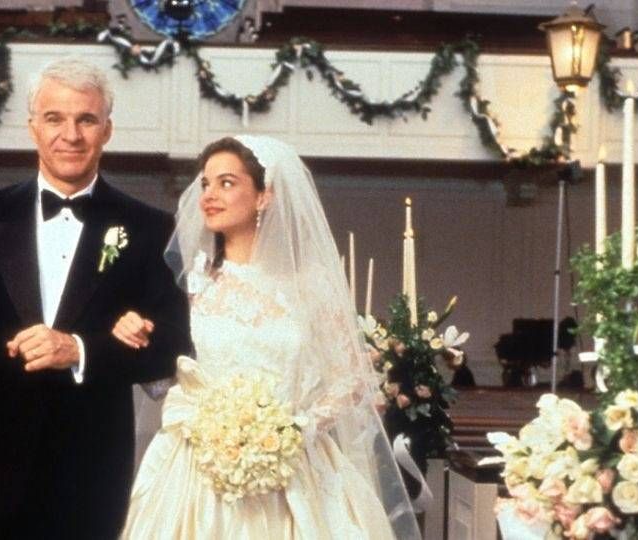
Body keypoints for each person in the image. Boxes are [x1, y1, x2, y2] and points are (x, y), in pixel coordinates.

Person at [0, 58, 191, 539]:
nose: (70, 135)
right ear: (33, 126)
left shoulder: (149, 227)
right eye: (55, 118)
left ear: (107, 130)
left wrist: (80, 350)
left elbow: (174, 346)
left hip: (94, 471)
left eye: (86, 119)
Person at [117, 135, 420, 538]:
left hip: (295, 465)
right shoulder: (190, 284)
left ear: (264, 196)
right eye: (205, 183)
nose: (209, 195)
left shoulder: (310, 284)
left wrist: (294, 430)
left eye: (227, 183)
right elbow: (162, 380)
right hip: (198, 467)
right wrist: (135, 336)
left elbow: (350, 379)